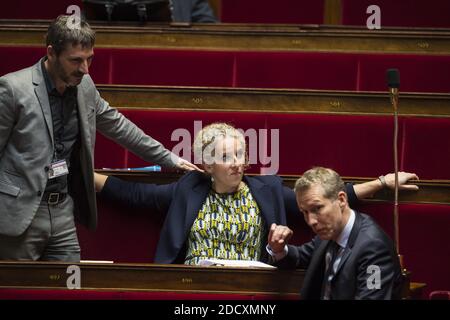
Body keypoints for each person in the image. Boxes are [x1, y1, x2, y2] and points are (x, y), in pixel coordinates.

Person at [0, 15, 198, 262]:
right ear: (51, 53)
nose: (85, 69)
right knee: (19, 290)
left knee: (69, 285)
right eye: (76, 61)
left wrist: (169, 158)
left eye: (89, 59)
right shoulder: (13, 89)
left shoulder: (84, 85)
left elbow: (117, 125)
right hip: (19, 213)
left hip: (62, 209)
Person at [94, 122, 418, 265]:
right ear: (207, 166)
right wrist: (83, 176)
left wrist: (381, 183)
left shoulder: (268, 190)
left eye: (240, 155)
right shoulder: (186, 190)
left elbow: (330, 195)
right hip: (193, 291)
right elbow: (130, 194)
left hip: (251, 291)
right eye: (226, 158)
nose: (237, 164)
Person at [268, 167, 404, 300]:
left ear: (341, 200)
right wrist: (278, 249)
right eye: (305, 212)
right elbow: (301, 256)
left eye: (317, 208)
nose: (311, 221)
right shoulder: (329, 232)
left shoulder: (373, 247)